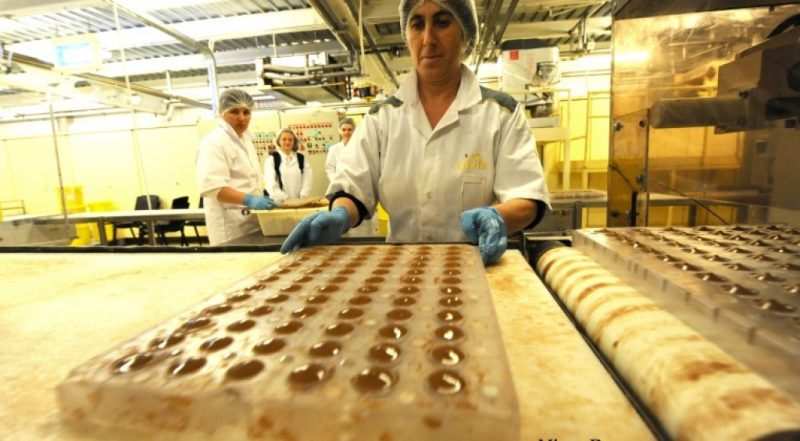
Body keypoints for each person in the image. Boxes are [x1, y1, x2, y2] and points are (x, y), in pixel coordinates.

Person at [281, 0, 549, 265]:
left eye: (442, 23)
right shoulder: (383, 118)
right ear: (406, 35)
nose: (428, 38)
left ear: (465, 35)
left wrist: (498, 217)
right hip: (400, 271)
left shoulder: (500, 114)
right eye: (417, 25)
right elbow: (354, 188)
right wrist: (340, 214)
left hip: (474, 267)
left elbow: (527, 195)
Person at [196, 89, 280, 246]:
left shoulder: (246, 140)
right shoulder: (214, 142)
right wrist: (249, 200)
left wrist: (261, 197)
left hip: (251, 220)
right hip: (230, 226)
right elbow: (212, 188)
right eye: (234, 111)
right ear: (221, 112)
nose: (242, 118)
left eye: (246, 112)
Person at [264, 128, 313, 202]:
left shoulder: (301, 158)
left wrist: (302, 196)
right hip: (279, 201)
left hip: (299, 201)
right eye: (284, 139)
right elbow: (270, 183)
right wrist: (285, 198)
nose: (287, 142)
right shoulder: (272, 159)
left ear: (294, 142)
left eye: (290, 140)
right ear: (279, 141)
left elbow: (308, 179)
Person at [325, 117, 356, 182]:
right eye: (343, 130)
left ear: (354, 131)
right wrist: (335, 181)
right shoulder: (334, 149)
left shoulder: (359, 147)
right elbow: (330, 168)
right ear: (339, 131)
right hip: (339, 182)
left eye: (350, 129)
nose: (346, 132)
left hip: (356, 181)